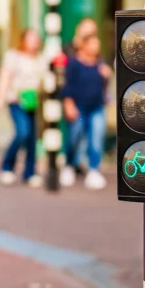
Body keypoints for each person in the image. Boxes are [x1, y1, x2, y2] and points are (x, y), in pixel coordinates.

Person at [0, 29, 46, 187]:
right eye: (31, 39)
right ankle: (7, 165)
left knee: (32, 138)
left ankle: (30, 172)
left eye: (36, 39)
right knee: (22, 132)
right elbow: (5, 77)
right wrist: (0, 96)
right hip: (16, 100)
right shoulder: (13, 56)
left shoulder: (40, 59)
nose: (34, 42)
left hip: (32, 102)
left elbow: (43, 81)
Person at [61, 33, 112, 190]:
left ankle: (94, 169)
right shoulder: (74, 63)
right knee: (75, 136)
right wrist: (68, 104)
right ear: (83, 45)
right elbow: (67, 86)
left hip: (96, 107)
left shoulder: (100, 64)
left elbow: (104, 88)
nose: (95, 47)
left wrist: (107, 76)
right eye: (92, 43)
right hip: (79, 107)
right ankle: (69, 165)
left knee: (96, 137)